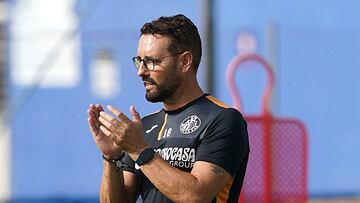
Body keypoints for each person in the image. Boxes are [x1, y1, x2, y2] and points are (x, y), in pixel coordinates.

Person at [87, 14, 249, 203]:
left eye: (152, 61)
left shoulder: (223, 120)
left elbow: (194, 196)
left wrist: (139, 150)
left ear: (185, 62)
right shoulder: (145, 127)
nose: (141, 71)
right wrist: (111, 158)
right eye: (139, 61)